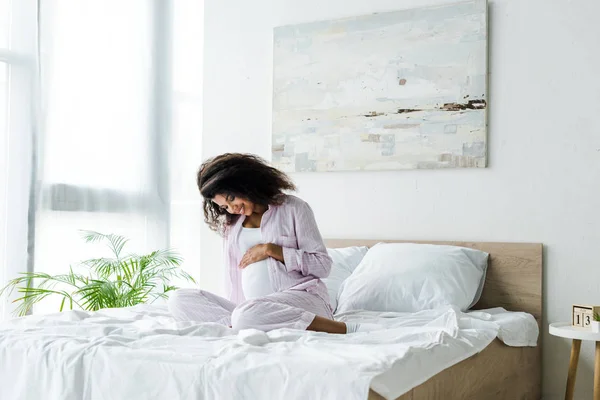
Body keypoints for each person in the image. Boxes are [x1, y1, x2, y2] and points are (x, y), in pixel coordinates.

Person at [168, 153, 371, 334]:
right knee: (179, 299)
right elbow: (233, 277)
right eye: (224, 205)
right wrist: (240, 309)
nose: (232, 208)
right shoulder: (233, 224)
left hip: (303, 299)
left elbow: (322, 266)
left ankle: (343, 329)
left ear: (245, 184)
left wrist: (271, 249)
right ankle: (240, 326)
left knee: (246, 314)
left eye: (231, 198)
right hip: (252, 308)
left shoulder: (294, 209)